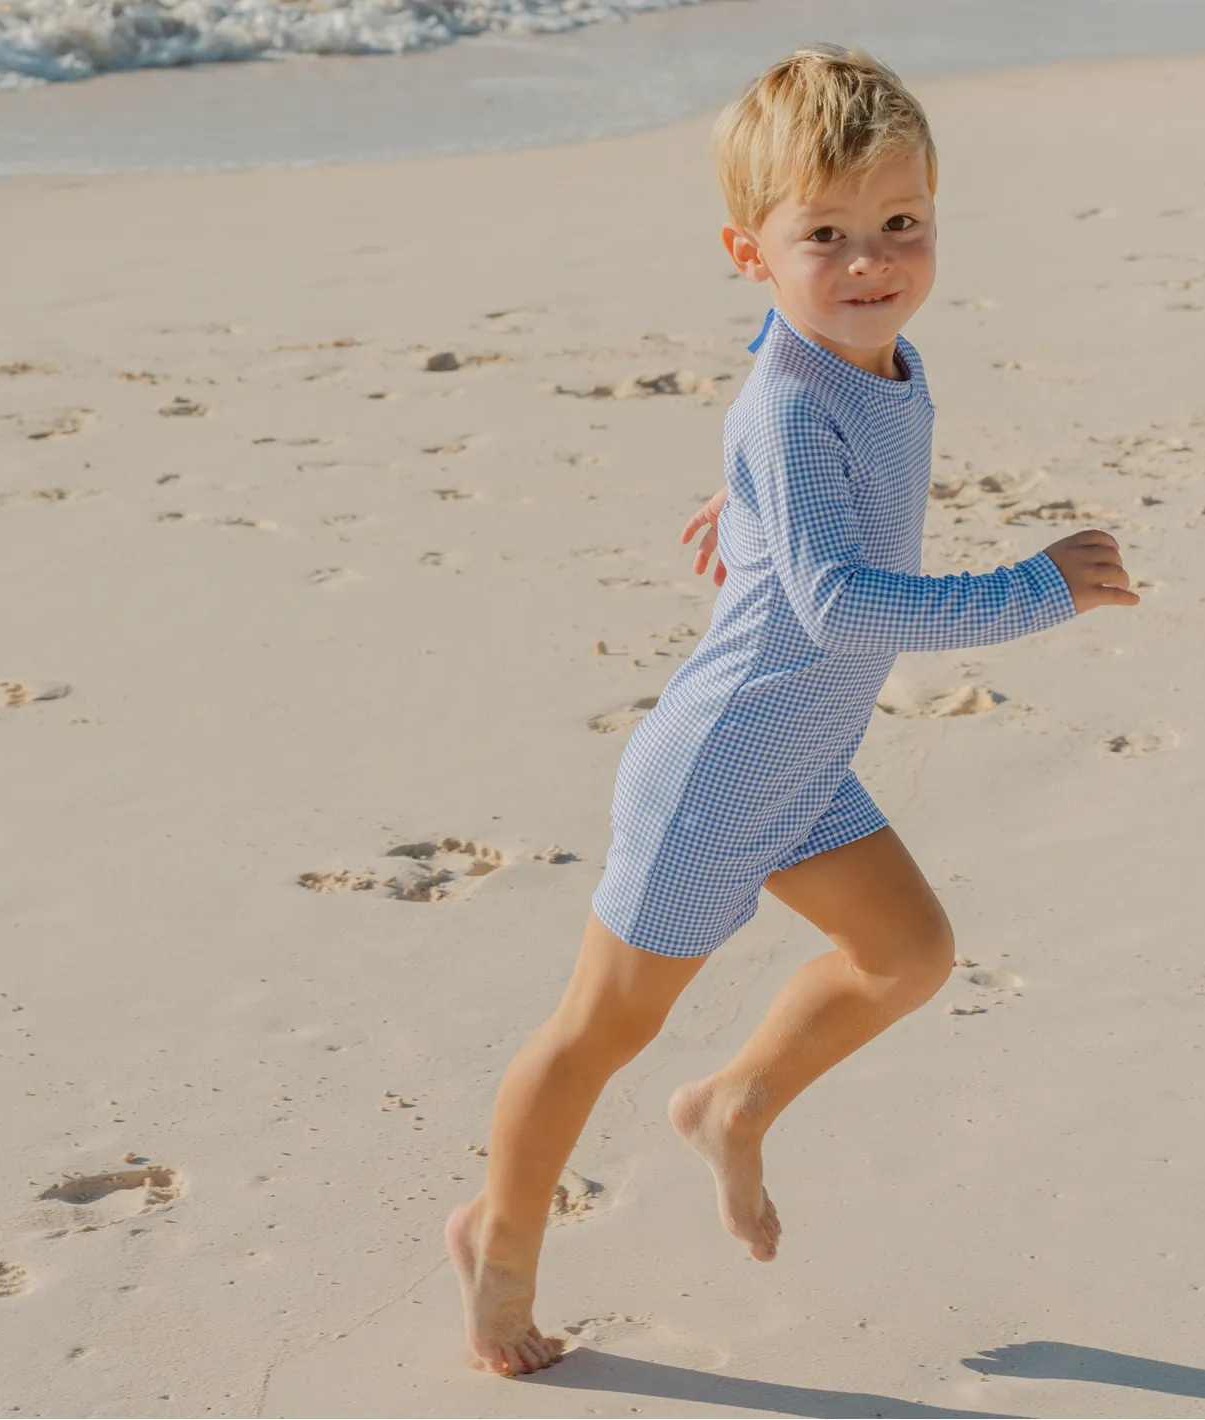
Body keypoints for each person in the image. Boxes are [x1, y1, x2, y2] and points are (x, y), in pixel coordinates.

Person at [446, 42, 1139, 1378]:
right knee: (597, 1031)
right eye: (825, 234)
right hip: (717, 774)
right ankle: (500, 1237)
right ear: (747, 248)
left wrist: (747, 503)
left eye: (901, 224)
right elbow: (837, 607)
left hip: (803, 760)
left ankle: (733, 1102)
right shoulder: (790, 396)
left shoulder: (867, 355)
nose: (872, 259)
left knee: (910, 955)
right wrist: (1028, 591)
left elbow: (790, 446)